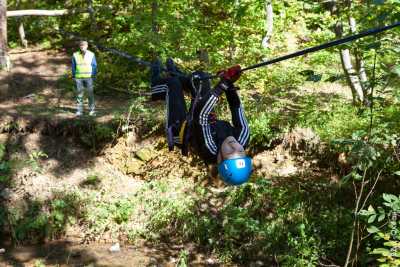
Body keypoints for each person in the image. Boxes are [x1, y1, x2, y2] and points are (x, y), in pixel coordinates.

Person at [150, 59, 252, 185]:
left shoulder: (210, 149)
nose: (234, 146)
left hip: (181, 130)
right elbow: (236, 106)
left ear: (219, 159)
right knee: (200, 77)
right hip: (204, 120)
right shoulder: (243, 137)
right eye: (241, 151)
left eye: (230, 152)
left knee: (172, 84)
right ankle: (177, 75)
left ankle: (156, 84)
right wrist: (230, 84)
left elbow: (201, 115)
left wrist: (224, 84)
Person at [72, 40, 97, 116]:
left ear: (87, 46)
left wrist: (93, 75)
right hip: (78, 78)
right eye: (81, 45)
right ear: (79, 47)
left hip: (89, 78)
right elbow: (73, 66)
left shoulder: (91, 54)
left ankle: (92, 110)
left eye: (84, 45)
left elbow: (94, 66)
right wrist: (73, 76)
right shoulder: (75, 55)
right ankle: (79, 111)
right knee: (79, 95)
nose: (82, 47)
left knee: (90, 94)